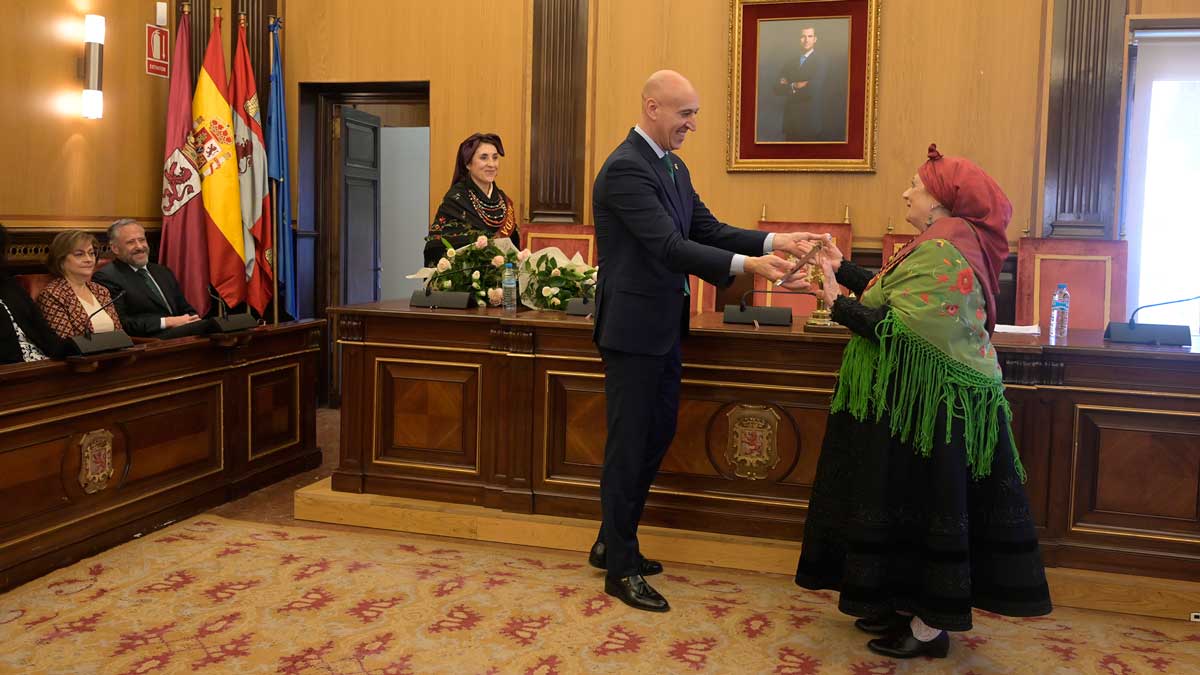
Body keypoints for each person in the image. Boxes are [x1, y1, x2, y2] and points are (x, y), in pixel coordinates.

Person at [793, 145, 1051, 659]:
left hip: (936, 413)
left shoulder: (943, 248)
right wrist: (844, 272)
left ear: (938, 200)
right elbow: (892, 297)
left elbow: (899, 333)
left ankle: (931, 627)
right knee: (899, 504)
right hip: (915, 407)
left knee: (927, 506)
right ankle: (896, 602)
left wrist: (832, 301)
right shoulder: (937, 242)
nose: (906, 192)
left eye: (915, 184)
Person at [590, 69, 820, 613]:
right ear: (652, 107)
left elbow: (706, 229)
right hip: (631, 332)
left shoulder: (672, 165)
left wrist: (775, 238)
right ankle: (620, 566)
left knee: (655, 436)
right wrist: (750, 266)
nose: (693, 124)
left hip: (664, 329)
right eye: (685, 113)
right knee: (629, 448)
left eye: (694, 113)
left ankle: (611, 541)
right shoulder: (626, 169)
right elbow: (670, 247)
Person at [93, 219, 214, 338]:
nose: (140, 246)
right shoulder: (107, 277)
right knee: (213, 328)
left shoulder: (162, 271)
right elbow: (123, 323)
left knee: (220, 327)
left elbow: (186, 308)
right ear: (115, 248)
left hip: (182, 334)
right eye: (131, 242)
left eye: (142, 240)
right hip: (150, 339)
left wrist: (192, 318)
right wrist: (168, 322)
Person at [424, 133, 519, 266]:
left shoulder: (503, 200)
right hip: (465, 278)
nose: (491, 164)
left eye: (495, 158)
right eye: (483, 158)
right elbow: (436, 246)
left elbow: (514, 246)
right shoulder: (456, 199)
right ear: (468, 163)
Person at [0, 224, 73, 363]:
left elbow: (45, 333)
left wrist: (78, 353)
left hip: (44, 366)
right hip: (11, 374)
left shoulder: (9, 286)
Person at [36, 230, 124, 339]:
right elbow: (67, 342)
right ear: (61, 260)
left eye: (91, 253)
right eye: (79, 254)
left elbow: (119, 335)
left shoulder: (100, 290)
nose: (89, 259)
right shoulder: (53, 295)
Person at [773, 26, 829, 141]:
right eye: (803, 36)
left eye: (810, 36)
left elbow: (813, 89)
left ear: (815, 39)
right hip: (791, 122)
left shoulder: (821, 61)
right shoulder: (790, 62)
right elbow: (777, 88)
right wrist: (796, 85)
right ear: (799, 39)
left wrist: (789, 84)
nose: (806, 40)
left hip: (809, 122)